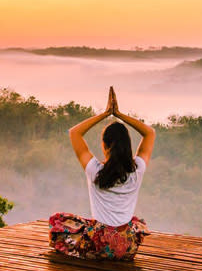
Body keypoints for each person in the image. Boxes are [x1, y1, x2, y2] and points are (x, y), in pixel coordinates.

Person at [49, 87, 156, 260]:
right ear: (128, 146)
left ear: (104, 146)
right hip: (126, 248)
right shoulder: (137, 170)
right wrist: (119, 114)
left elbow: (74, 132)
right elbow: (149, 133)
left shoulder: (95, 170)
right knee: (135, 222)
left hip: (98, 246)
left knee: (57, 220)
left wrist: (106, 114)